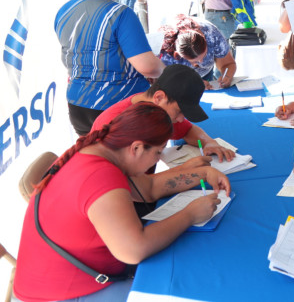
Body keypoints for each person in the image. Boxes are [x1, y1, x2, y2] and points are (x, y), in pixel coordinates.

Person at [13, 103, 230, 302]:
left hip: (63, 280)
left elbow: (149, 189)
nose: (157, 160)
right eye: (157, 153)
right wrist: (190, 214)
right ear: (136, 148)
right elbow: (133, 249)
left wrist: (202, 174)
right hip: (61, 294)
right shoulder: (100, 175)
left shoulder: (100, 150)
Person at [54, 0, 164, 136]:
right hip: (116, 103)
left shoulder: (64, 10)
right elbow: (148, 67)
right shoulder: (119, 13)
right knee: (129, 162)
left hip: (77, 104)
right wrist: (166, 71)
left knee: (94, 162)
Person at [92, 64, 235, 163]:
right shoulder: (118, 124)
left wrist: (208, 142)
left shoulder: (158, 109)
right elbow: (135, 185)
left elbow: (188, 129)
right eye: (179, 111)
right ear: (159, 97)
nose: (180, 120)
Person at [159, 15, 237, 88]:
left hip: (205, 75)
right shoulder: (165, 51)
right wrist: (191, 84)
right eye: (195, 61)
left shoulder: (211, 34)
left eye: (204, 55)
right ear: (178, 54)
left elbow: (227, 63)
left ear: (206, 41)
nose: (201, 62)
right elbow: (164, 83)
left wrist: (227, 76)